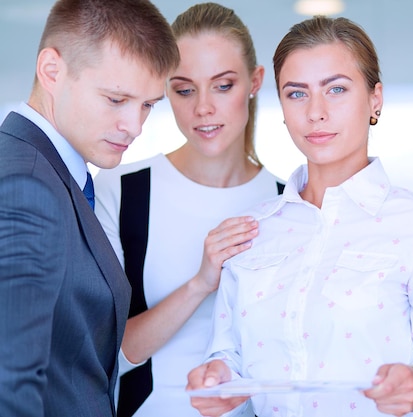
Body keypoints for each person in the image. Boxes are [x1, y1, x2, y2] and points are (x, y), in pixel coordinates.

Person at [187, 15, 413, 417]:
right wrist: (217, 379)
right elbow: (229, 356)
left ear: (375, 99)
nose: (316, 112)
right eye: (297, 94)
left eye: (336, 89)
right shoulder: (253, 230)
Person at [94, 3, 284, 417]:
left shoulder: (290, 202)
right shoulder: (121, 192)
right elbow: (108, 354)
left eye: (223, 85)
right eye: (184, 89)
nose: (203, 108)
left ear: (254, 82)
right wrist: (201, 282)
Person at [0, 0, 179, 416]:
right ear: (51, 71)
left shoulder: (53, 175)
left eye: (148, 105)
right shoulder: (24, 185)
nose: (135, 126)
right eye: (117, 99)